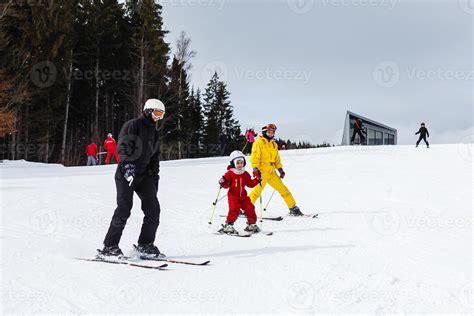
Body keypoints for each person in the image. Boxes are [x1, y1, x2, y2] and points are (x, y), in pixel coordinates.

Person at [100, 99, 166, 257]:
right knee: (124, 208)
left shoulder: (154, 133)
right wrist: (128, 166)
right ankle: (109, 247)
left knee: (153, 209)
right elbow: (122, 146)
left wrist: (154, 178)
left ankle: (145, 244)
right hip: (126, 173)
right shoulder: (133, 125)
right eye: (157, 113)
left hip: (144, 176)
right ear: (148, 111)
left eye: (161, 115)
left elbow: (155, 158)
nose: (158, 117)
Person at [249, 123, 304, 216]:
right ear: (264, 132)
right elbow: (255, 158)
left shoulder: (274, 144)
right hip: (262, 172)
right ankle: (243, 209)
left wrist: (280, 169)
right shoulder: (259, 143)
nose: (271, 134)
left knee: (283, 189)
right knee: (256, 192)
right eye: (269, 132)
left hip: (271, 172)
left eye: (272, 132)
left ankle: (292, 207)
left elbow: (277, 159)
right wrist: (255, 169)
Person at [218, 150, 262, 234]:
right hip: (233, 196)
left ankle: (251, 224)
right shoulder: (230, 173)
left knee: (250, 208)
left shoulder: (245, 173)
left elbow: (250, 184)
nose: (240, 165)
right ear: (233, 163)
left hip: (244, 197)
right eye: (237, 163)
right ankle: (228, 225)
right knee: (234, 209)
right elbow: (226, 185)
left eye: (241, 162)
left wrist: (257, 179)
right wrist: (223, 182)